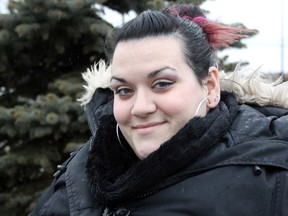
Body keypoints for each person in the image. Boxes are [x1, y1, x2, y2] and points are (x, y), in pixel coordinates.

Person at [29, 3, 288, 216]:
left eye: (162, 84)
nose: (140, 108)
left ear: (210, 87)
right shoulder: (79, 176)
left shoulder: (273, 175)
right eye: (124, 90)